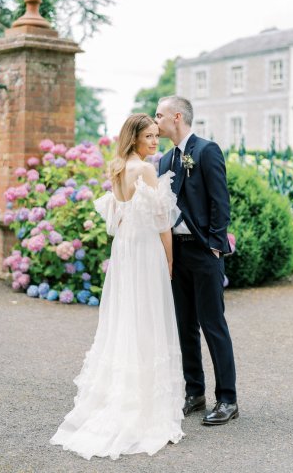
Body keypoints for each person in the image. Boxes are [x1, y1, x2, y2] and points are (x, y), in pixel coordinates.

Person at [50, 114, 184, 460]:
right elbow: (162, 223)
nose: (156, 142)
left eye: (157, 136)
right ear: (135, 138)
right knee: (147, 318)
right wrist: (169, 260)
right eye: (150, 137)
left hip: (124, 249)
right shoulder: (147, 170)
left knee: (127, 317)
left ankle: (122, 394)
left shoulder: (117, 167)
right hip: (144, 250)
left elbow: (118, 217)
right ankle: (142, 404)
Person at [155, 96, 238, 425]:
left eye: (159, 115)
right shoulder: (163, 160)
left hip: (205, 252)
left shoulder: (206, 151)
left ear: (177, 118)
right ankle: (194, 392)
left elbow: (221, 201)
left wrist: (216, 246)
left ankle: (228, 399)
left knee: (213, 325)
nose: (155, 120)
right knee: (184, 325)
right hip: (177, 253)